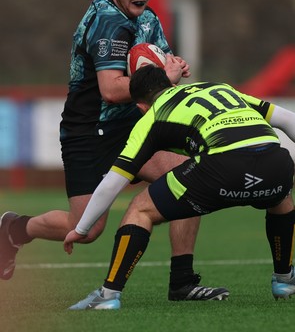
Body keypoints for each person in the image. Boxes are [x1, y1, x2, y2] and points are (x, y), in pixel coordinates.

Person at [0, 0, 227, 301]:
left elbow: (160, 74)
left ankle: (182, 282)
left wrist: (175, 69)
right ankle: (13, 229)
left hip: (129, 127)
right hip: (88, 132)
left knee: (189, 178)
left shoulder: (149, 20)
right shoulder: (106, 21)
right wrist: (164, 77)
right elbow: (110, 90)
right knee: (86, 229)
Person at [63, 64, 295, 310]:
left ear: (140, 106)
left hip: (223, 170)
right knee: (281, 199)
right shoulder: (220, 88)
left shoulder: (152, 115)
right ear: (171, 84)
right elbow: (287, 120)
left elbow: (113, 182)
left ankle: (108, 295)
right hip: (277, 165)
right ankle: (284, 280)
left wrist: (81, 227)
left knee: (141, 209)